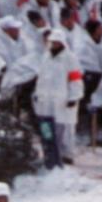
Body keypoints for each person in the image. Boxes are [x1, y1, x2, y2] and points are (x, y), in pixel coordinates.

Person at [33, 30, 84, 168]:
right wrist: (38, 94)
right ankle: (49, 152)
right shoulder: (46, 57)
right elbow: (41, 78)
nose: (54, 45)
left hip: (63, 99)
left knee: (65, 128)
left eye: (56, 43)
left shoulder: (70, 58)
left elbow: (75, 79)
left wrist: (74, 96)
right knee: (47, 128)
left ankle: (66, 154)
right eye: (52, 42)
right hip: (46, 99)